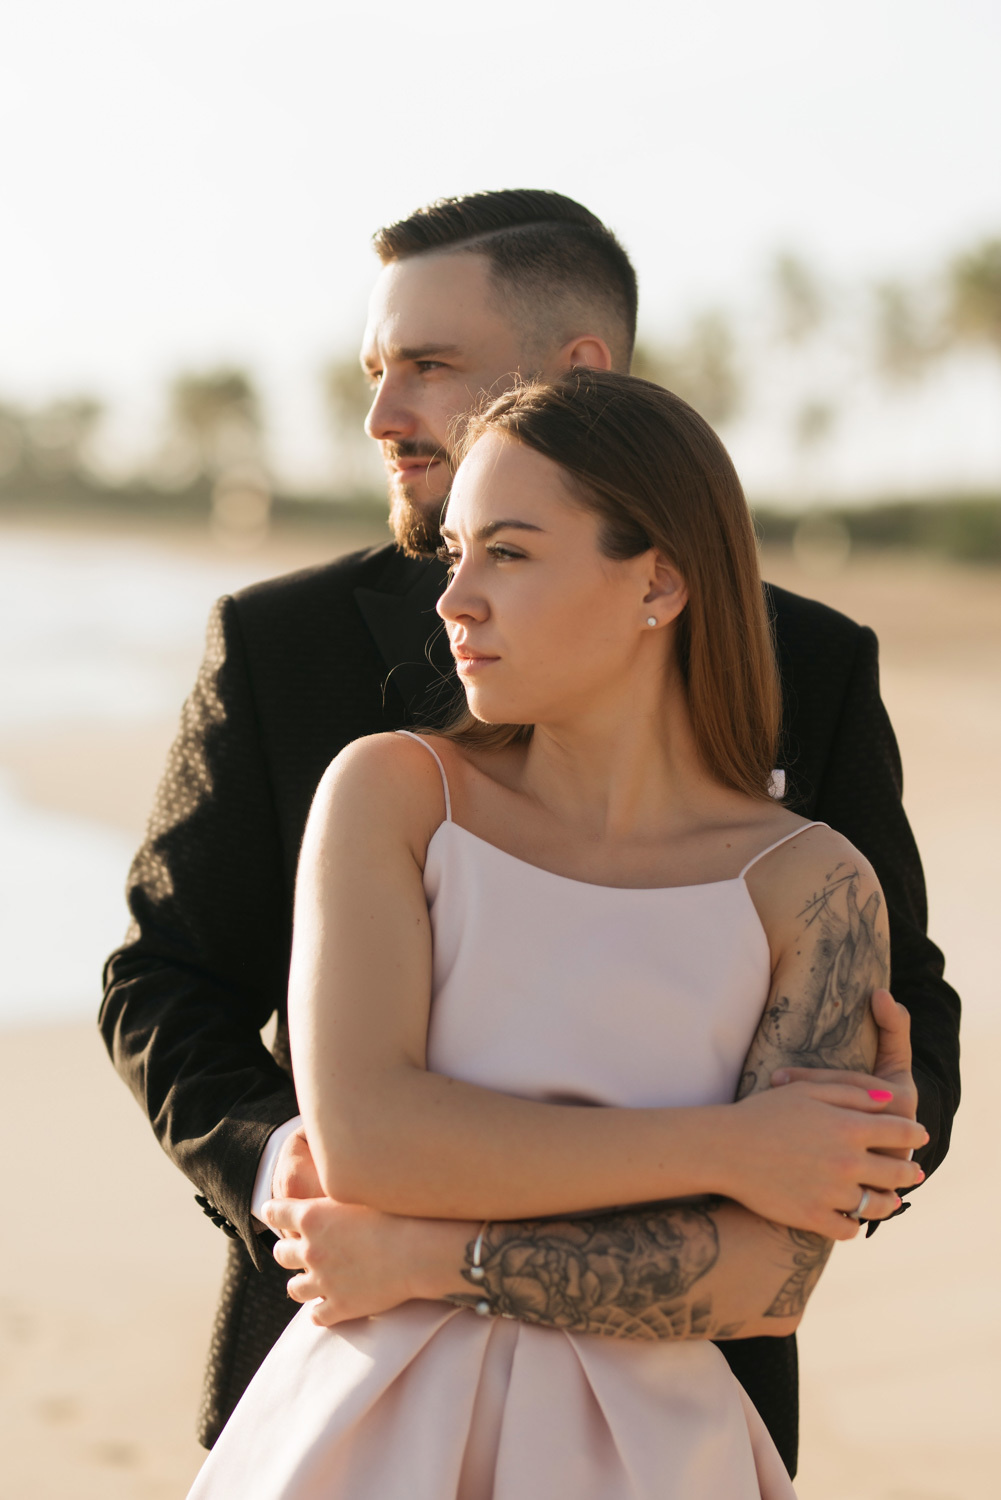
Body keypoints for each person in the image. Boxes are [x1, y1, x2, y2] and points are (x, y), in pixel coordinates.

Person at [99, 190, 960, 1479]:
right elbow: (164, 982)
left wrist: (847, 1155)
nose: (386, 416)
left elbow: (899, 1017)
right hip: (348, 1340)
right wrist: (306, 1172)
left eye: (429, 367)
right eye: (376, 371)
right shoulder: (289, 658)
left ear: (580, 371)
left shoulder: (813, 668)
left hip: (679, 1406)